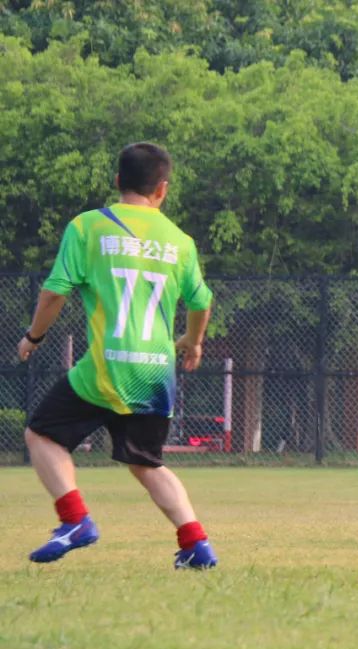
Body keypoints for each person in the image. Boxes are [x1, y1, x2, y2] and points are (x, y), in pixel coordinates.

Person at [16, 142, 218, 569]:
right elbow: (202, 301)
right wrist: (193, 341)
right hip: (155, 372)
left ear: (116, 181)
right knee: (147, 464)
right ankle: (196, 543)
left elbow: (55, 291)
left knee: (41, 433)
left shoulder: (88, 227)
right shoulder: (179, 241)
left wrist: (33, 337)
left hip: (108, 366)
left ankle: (75, 521)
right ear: (162, 189)